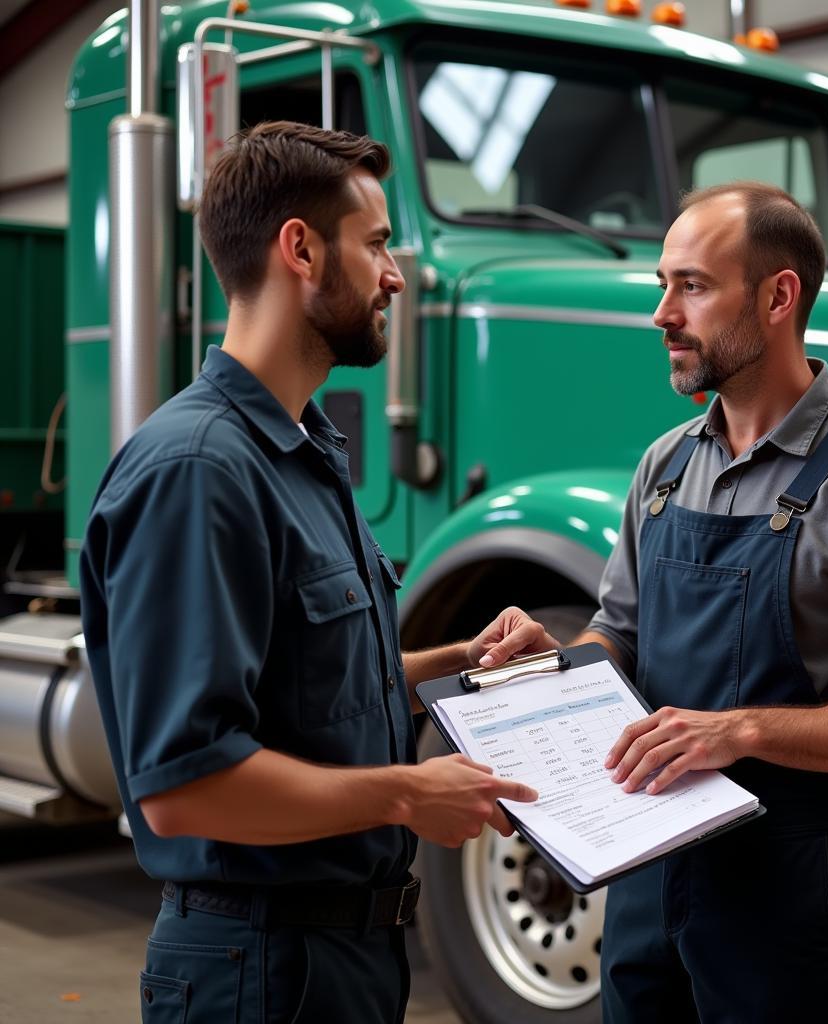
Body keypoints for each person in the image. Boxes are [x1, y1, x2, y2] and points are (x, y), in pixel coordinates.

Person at [79, 121, 555, 1024]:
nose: (396, 277)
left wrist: (467, 668)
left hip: (336, 962)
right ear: (299, 248)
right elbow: (184, 789)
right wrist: (412, 794)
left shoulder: (303, 451)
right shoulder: (199, 471)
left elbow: (311, 687)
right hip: (255, 971)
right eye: (376, 244)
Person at [575, 182, 828, 1023]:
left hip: (791, 903)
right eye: (662, 284)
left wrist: (739, 730)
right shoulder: (665, 465)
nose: (662, 315)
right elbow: (622, 633)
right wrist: (555, 670)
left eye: (692, 286)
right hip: (648, 878)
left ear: (778, 296)